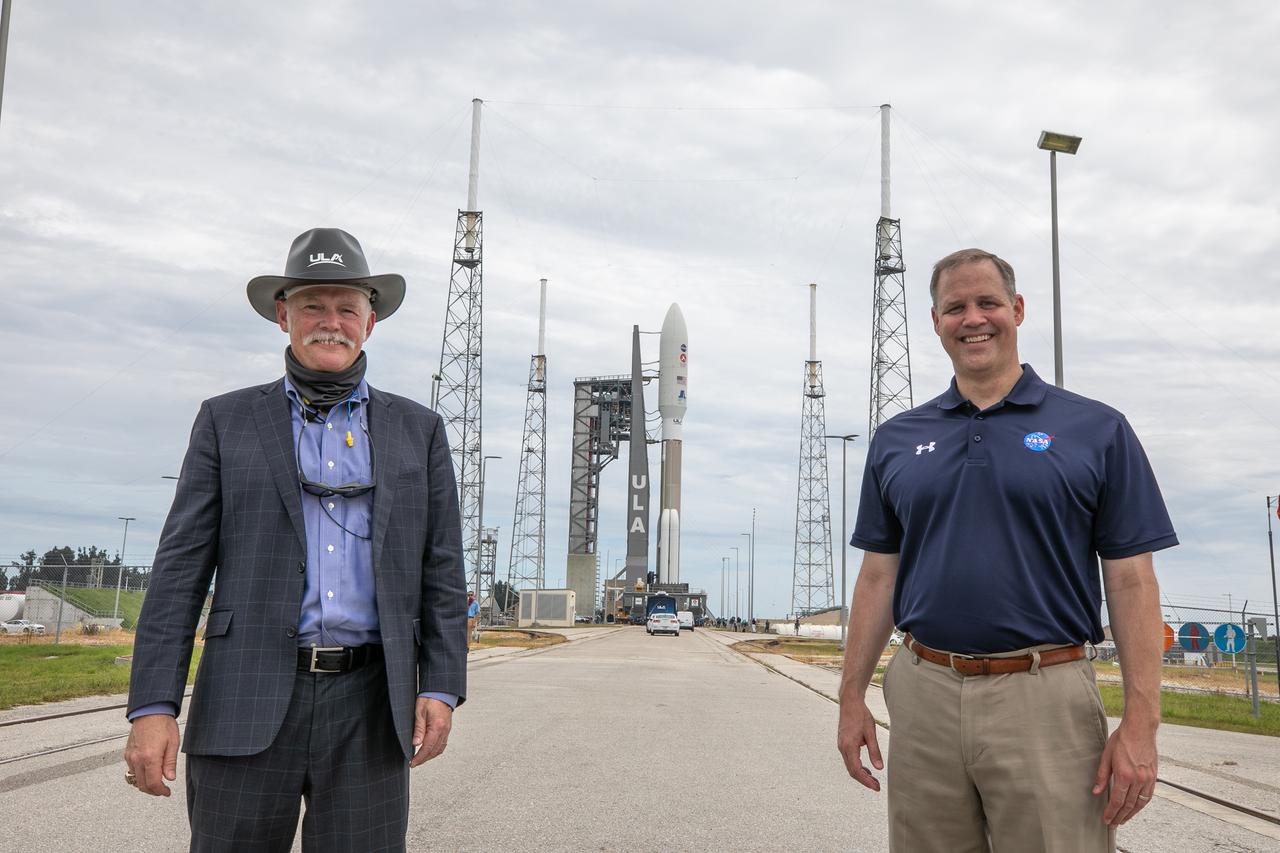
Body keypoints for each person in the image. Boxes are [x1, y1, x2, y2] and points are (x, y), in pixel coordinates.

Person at [124, 228, 468, 852]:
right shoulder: (226, 421)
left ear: (371, 321)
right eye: (313, 305)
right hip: (245, 700)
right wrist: (153, 705)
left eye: (346, 307)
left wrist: (440, 687)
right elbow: (179, 572)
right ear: (283, 315)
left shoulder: (419, 430)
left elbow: (442, 570)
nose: (329, 322)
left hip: (371, 708)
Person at [837, 248, 1176, 853]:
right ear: (935, 321)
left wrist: (1142, 724)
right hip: (924, 691)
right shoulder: (896, 441)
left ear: (1017, 310)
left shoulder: (1097, 430)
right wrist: (850, 697)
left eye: (988, 303)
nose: (973, 319)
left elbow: (1131, 583)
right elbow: (876, 579)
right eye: (955, 307)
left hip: (1045, 693)